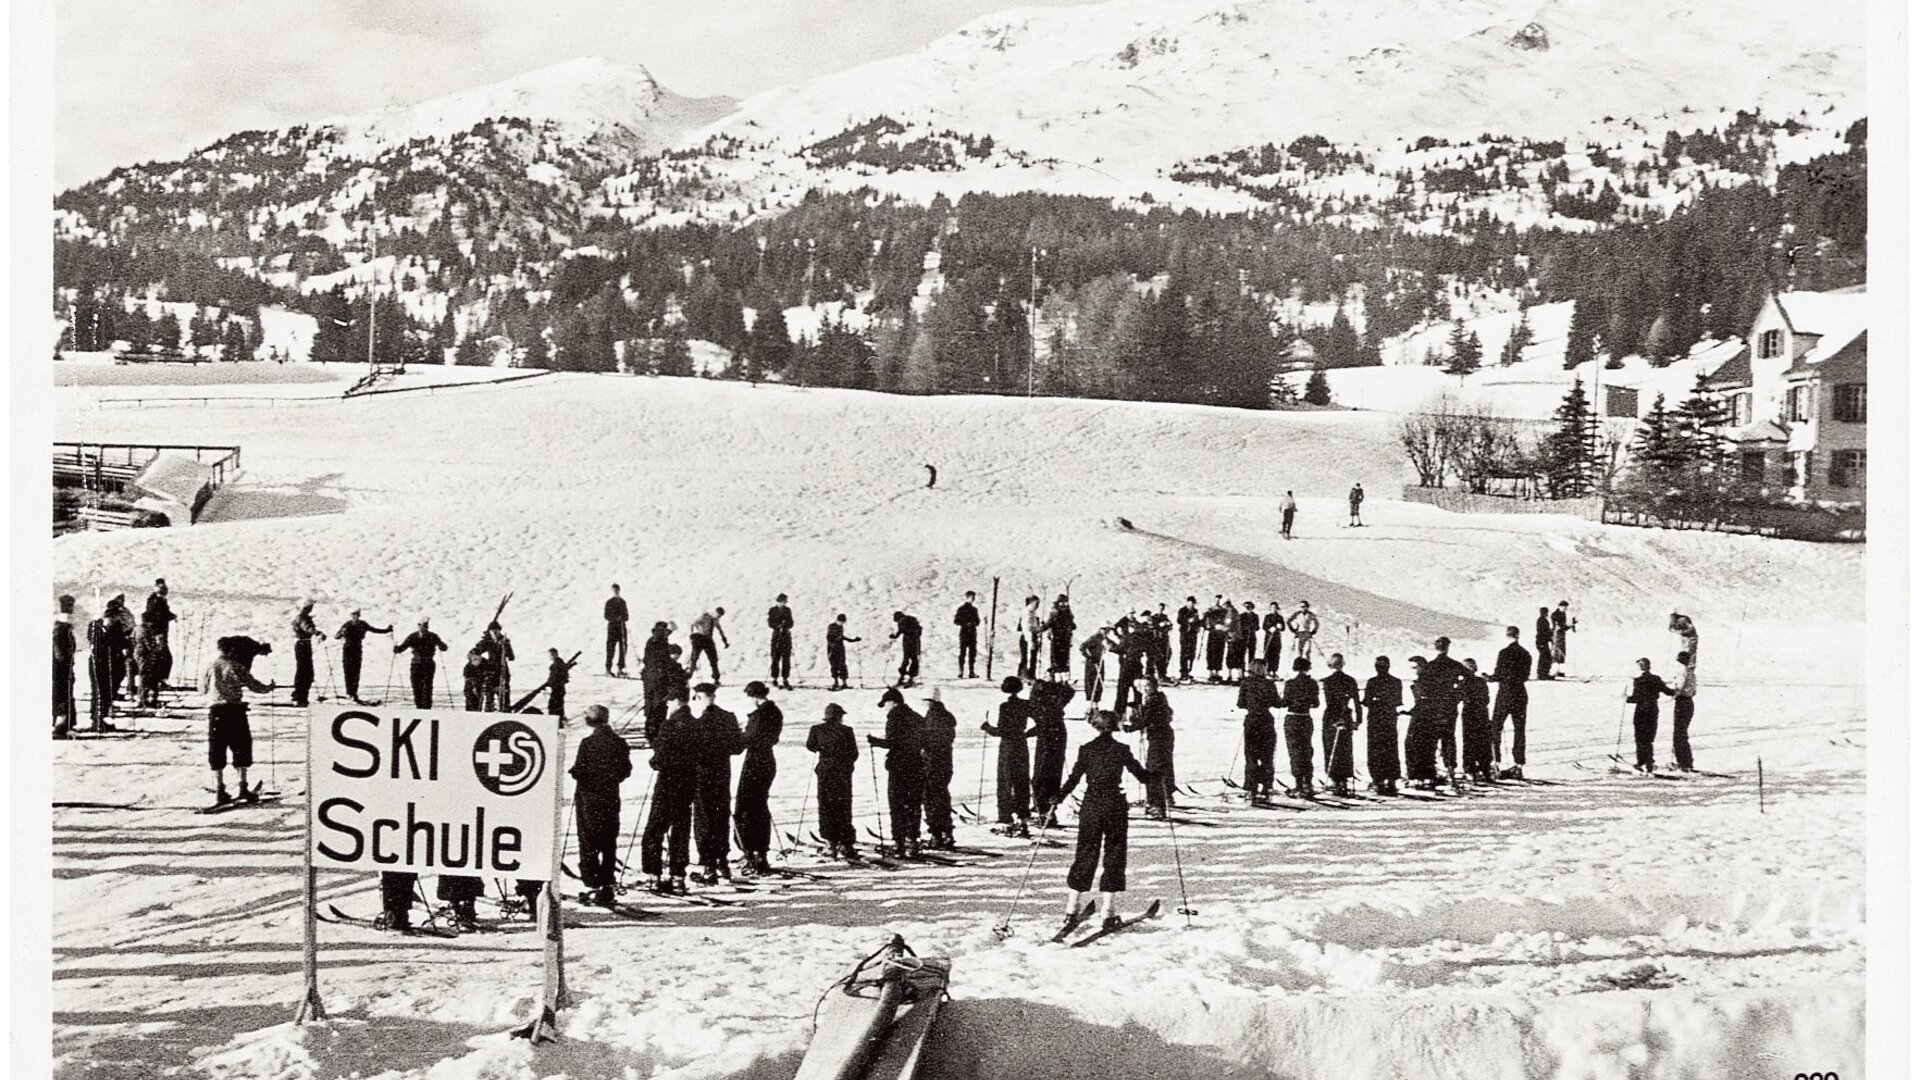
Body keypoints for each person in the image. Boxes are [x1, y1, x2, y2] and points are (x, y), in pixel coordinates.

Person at [1057, 709, 1156, 933]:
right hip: (1114, 806)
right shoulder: (1121, 750)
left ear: (1096, 726)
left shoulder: (1086, 749)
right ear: (1115, 726)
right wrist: (1157, 775)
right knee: (1114, 854)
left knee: (1085, 853)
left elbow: (1073, 779)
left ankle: (1071, 909)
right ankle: (1108, 913)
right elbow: (1142, 776)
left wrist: (1058, 798)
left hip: (1091, 805)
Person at [570, 704, 631, 908]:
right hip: (611, 798)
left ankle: (593, 885)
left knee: (588, 843)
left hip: (589, 799)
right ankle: (607, 884)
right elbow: (626, 771)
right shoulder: (619, 742)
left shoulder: (587, 743)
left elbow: (580, 770)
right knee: (608, 842)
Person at [203, 635, 276, 805]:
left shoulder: (209, 666)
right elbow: (254, 685)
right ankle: (243, 787)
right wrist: (269, 687)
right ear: (230, 650)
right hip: (235, 710)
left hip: (216, 711)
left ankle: (220, 789)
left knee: (217, 749)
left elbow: (201, 688)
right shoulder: (236, 666)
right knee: (241, 746)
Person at [640, 687, 700, 893]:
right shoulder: (696, 725)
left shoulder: (669, 725)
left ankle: (653, 875)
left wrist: (654, 761)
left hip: (667, 784)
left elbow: (660, 758)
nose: (667, 705)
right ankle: (677, 876)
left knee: (655, 829)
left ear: (677, 702)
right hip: (688, 784)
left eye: (669, 702)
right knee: (681, 830)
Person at [689, 683, 744, 884]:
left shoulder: (698, 722)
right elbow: (738, 747)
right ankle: (723, 862)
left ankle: (709, 866)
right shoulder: (728, 718)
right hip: (722, 774)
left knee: (704, 819)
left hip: (702, 776)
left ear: (700, 697)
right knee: (721, 816)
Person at [868, 688, 926, 858]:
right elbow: (926, 738)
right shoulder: (917, 717)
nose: (885, 708)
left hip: (899, 767)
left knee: (897, 805)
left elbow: (893, 742)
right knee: (914, 804)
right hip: (916, 765)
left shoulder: (894, 717)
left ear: (893, 702)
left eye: (885, 704)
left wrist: (876, 742)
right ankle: (913, 841)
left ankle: (899, 843)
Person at [735, 682, 782, 874]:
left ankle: (750, 852)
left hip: (755, 761)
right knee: (760, 806)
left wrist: (735, 735)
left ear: (754, 696)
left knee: (745, 807)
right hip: (767, 760)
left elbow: (749, 738)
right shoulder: (775, 711)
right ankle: (760, 852)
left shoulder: (760, 715)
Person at [806, 703, 860, 859]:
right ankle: (847, 843)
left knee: (826, 806)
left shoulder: (816, 729)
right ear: (839, 717)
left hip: (825, 772)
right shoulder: (847, 731)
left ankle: (831, 843)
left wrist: (823, 748)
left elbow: (811, 746)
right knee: (844, 806)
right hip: (843, 773)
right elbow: (854, 753)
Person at [982, 677, 1034, 837]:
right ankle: (1023, 818)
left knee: (1005, 781)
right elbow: (1042, 721)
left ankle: (1005, 819)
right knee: (1022, 781)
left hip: (1008, 747)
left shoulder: (1005, 707)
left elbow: (1003, 730)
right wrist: (1028, 733)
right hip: (1021, 745)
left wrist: (987, 727)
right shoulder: (1026, 705)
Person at [1125, 675, 1176, 817]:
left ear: (1155, 686)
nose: (1144, 689)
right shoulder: (1156, 698)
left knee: (1154, 768)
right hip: (1161, 736)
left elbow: (1147, 719)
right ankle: (1167, 795)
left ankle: (1157, 804)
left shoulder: (1154, 700)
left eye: (1147, 686)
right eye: (1141, 687)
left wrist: (1130, 727)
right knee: (1163, 765)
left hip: (1160, 737)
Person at [1425, 637, 1469, 782]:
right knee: (1449, 738)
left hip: (1434, 706)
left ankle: (1430, 771)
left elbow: (1424, 687)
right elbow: (1468, 679)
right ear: (1447, 647)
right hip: (1450, 706)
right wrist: (1458, 696)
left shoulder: (1430, 666)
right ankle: (1450, 769)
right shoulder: (1455, 665)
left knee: (1431, 738)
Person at [1489, 626, 1531, 779]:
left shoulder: (1504, 653)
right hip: (1520, 693)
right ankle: (1519, 764)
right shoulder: (1526, 654)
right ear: (1518, 635)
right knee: (1519, 729)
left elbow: (1499, 674)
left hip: (1505, 693)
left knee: (1496, 726)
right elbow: (1525, 676)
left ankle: (1495, 762)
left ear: (1507, 636)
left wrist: (1490, 678)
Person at [1236, 658, 1281, 801]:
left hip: (1252, 721)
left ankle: (1251, 787)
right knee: (1267, 756)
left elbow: (1240, 704)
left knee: (1251, 756)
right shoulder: (1269, 684)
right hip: (1266, 720)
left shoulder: (1245, 683)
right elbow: (1277, 702)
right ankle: (1266, 786)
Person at [1029, 680, 1072, 826]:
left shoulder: (1044, 703)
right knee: (1049, 772)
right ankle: (1046, 809)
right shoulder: (1052, 703)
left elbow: (1041, 721)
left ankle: (1043, 809)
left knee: (1043, 772)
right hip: (1054, 735)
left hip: (1050, 737)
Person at [920, 688, 958, 850]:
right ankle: (947, 833)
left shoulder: (932, 718)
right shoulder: (947, 717)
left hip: (932, 764)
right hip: (946, 763)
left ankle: (936, 834)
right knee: (942, 796)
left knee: (930, 798)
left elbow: (929, 741)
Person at [1280, 656, 1321, 797]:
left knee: (1294, 751)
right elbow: (1316, 704)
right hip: (1305, 718)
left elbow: (1284, 702)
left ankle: (1298, 783)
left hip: (1292, 718)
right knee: (1307, 750)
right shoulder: (1312, 683)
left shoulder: (1290, 683)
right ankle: (1308, 782)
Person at [1361, 656, 1403, 794]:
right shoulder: (1396, 682)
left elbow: (1366, 701)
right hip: (1389, 719)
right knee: (1390, 749)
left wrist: (1376, 701)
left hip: (1375, 719)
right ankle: (1391, 781)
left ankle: (1378, 780)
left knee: (1375, 750)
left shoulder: (1372, 682)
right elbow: (1397, 701)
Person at [1321, 653, 1360, 797]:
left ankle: (1335, 780)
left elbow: (1330, 702)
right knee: (1345, 748)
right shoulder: (1350, 680)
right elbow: (1356, 701)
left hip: (1332, 716)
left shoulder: (1328, 681)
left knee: (1331, 748)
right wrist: (1359, 720)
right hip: (1347, 716)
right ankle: (1344, 779)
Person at [1624, 658, 1673, 773]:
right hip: (1652, 709)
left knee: (1640, 736)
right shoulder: (1656, 679)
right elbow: (1668, 691)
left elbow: (1635, 698)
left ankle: (1641, 761)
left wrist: (1627, 698)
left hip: (1641, 710)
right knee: (1649, 737)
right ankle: (1649, 762)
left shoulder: (1638, 680)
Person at [335, 610, 393, 704]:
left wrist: (387, 630)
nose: (355, 617)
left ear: (359, 615)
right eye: (353, 615)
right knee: (348, 671)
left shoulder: (363, 624)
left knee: (356, 672)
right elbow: (336, 636)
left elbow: (374, 630)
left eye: (356, 615)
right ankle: (350, 693)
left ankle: (353, 693)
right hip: (347, 650)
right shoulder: (347, 625)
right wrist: (342, 632)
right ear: (351, 616)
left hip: (357, 649)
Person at [394, 620, 447, 710]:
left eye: (425, 626)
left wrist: (442, 646)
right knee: (416, 686)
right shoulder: (413, 636)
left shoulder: (433, 636)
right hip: (416, 664)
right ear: (419, 626)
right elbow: (403, 647)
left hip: (428, 664)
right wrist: (397, 649)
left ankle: (427, 708)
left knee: (427, 687)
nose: (424, 628)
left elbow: (444, 647)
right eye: (422, 626)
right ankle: (419, 707)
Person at [1459, 657, 1494, 783]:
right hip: (1482, 712)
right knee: (1483, 741)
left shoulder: (1463, 683)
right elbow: (1487, 699)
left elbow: (1459, 697)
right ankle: (1485, 769)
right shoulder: (1481, 682)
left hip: (1469, 713)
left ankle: (1470, 769)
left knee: (1469, 741)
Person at [640, 623, 677, 737]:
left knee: (649, 704)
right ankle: (657, 732)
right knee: (659, 705)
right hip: (660, 680)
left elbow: (646, 660)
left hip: (649, 679)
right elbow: (665, 661)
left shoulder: (651, 641)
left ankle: (649, 731)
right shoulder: (662, 643)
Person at [142, 578, 177, 694]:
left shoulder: (160, 601)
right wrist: (157, 634)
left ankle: (160, 680)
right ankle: (159, 681)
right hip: (158, 634)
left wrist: (172, 616)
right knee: (163, 658)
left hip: (161, 633)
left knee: (164, 658)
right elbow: (155, 617)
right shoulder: (154, 602)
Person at [54, 595, 78, 738]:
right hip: (61, 669)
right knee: (62, 695)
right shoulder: (60, 629)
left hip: (65, 667)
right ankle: (60, 726)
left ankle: (65, 724)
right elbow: (60, 653)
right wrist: (66, 663)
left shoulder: (61, 628)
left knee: (65, 695)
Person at [289, 602, 321, 708]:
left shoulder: (301, 617)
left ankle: (299, 695)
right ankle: (300, 697)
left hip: (303, 644)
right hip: (303, 645)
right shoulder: (302, 618)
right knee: (305, 672)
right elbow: (306, 627)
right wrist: (317, 633)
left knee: (304, 671)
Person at [1670, 650, 1698, 772]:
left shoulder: (1682, 670)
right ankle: (1687, 761)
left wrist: (1672, 692)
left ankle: (1683, 762)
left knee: (1679, 734)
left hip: (1682, 702)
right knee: (1682, 733)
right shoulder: (1691, 672)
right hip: (1689, 702)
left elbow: (1679, 687)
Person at [689, 608, 728, 684]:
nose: (718, 617)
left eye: (720, 616)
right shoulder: (704, 616)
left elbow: (720, 630)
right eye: (718, 615)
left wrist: (724, 640)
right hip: (699, 638)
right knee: (694, 658)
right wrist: (692, 635)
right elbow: (693, 624)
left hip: (708, 639)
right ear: (715, 612)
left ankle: (716, 678)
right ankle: (688, 676)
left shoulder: (715, 620)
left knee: (713, 659)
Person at [483, 621, 515, 709]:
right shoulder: (487, 641)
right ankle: (490, 708)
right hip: (491, 670)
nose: (495, 633)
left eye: (496, 631)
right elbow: (477, 651)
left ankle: (505, 709)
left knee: (504, 693)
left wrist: (505, 648)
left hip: (502, 670)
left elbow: (512, 656)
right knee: (489, 693)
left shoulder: (505, 641)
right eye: (493, 631)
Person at [767, 594, 795, 691]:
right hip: (777, 635)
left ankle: (785, 678)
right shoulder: (772, 610)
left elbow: (791, 623)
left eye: (785, 602)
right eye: (783, 602)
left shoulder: (788, 610)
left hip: (786, 636)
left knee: (786, 658)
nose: (785, 604)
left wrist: (786, 625)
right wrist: (778, 626)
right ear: (779, 601)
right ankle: (774, 678)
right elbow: (770, 623)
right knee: (775, 657)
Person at [826, 613, 860, 691]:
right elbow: (829, 637)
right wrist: (836, 639)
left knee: (842, 665)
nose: (842, 623)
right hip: (832, 649)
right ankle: (836, 682)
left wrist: (853, 640)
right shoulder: (831, 626)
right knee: (834, 665)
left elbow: (842, 637)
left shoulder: (840, 627)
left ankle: (844, 683)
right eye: (842, 621)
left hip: (840, 649)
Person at [889, 611, 923, 688]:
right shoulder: (911, 619)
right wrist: (916, 636)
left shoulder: (902, 621)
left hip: (908, 641)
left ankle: (903, 677)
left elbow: (901, 631)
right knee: (914, 659)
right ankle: (911, 677)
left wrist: (895, 636)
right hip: (914, 641)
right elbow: (919, 628)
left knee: (906, 659)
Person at [1046, 595, 1076, 679]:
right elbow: (1049, 623)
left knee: (1065, 659)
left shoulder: (1068, 613)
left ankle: (1064, 678)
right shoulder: (1055, 613)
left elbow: (1073, 625)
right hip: (1057, 639)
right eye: (1062, 602)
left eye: (1066, 602)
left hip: (1065, 639)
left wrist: (1070, 625)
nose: (1064, 605)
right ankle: (1056, 678)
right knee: (1057, 659)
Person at [953, 591, 981, 679]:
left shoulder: (973, 609)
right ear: (967, 597)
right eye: (972, 597)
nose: (973, 599)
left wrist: (973, 623)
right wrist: (966, 623)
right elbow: (956, 621)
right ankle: (962, 671)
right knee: (964, 652)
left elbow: (978, 621)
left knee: (971, 652)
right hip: (965, 632)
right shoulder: (962, 609)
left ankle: (970, 671)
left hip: (970, 632)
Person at [1203, 596, 1231, 683]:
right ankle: (1211, 673)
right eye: (1216, 600)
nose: (1217, 602)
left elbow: (1227, 622)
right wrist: (1210, 625)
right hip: (1212, 635)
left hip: (1221, 635)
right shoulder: (1210, 611)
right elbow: (1205, 623)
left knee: (1219, 653)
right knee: (1211, 653)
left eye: (1219, 600)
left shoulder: (1224, 611)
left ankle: (1217, 672)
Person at [1078, 625, 1109, 704]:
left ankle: (1096, 702)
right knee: (1091, 682)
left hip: (1099, 662)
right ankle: (1091, 702)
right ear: (1100, 629)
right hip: (1092, 663)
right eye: (1104, 629)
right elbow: (1082, 647)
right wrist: (1089, 657)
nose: (1106, 631)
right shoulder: (1094, 638)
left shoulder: (1104, 638)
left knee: (1099, 681)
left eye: (1107, 630)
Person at [604, 585, 630, 677]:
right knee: (611, 648)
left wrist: (623, 618)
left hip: (622, 627)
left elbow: (627, 616)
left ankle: (621, 668)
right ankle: (608, 668)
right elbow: (606, 616)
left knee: (623, 647)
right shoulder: (609, 602)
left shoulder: (622, 602)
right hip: (612, 627)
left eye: (617, 590)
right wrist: (616, 618)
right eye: (614, 590)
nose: (616, 592)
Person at [1230, 602, 1259, 680]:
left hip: (1252, 638)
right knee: (1241, 655)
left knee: (1252, 655)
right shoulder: (1241, 616)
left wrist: (1252, 627)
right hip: (1243, 638)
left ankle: (1251, 672)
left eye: (1249, 607)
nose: (1248, 608)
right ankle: (1241, 672)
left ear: (1252, 607)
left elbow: (1257, 627)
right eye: (1246, 607)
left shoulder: (1255, 616)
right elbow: (1239, 626)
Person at [1176, 597, 1201, 683]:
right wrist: (1188, 621)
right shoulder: (1182, 610)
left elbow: (1197, 621)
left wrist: (1199, 624)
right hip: (1184, 634)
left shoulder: (1195, 611)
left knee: (1192, 653)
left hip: (1193, 634)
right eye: (1190, 603)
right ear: (1187, 603)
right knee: (1184, 653)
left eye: (1193, 603)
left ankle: (1189, 671)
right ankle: (1183, 672)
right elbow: (1179, 620)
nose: (1191, 605)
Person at [1017, 595, 1043, 680]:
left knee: (1032, 657)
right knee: (1027, 657)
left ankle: (1030, 675)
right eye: (1036, 603)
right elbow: (1026, 628)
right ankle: (1025, 675)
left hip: (1032, 636)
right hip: (1028, 637)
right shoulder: (1027, 613)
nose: (1038, 605)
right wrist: (1030, 640)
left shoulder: (1033, 613)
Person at [1550, 601, 1575, 677]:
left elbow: (1563, 627)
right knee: (1556, 652)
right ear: (1560, 606)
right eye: (1565, 607)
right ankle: (1555, 671)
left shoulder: (1563, 614)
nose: (1565, 609)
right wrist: (1570, 626)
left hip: (1561, 635)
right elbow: (1559, 627)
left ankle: (1561, 671)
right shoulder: (1554, 615)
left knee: (1562, 652)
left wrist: (1569, 626)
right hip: (1556, 635)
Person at [1149, 604, 1174, 680]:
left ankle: (1163, 673)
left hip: (1164, 639)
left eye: (1162, 609)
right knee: (1157, 656)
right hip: (1157, 640)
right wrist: (1160, 625)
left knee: (1167, 655)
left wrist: (1168, 625)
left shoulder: (1164, 617)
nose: (1160, 610)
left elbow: (1170, 625)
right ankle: (1157, 674)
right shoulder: (1153, 617)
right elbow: (1152, 626)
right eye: (1159, 608)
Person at [545, 647, 571, 719]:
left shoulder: (557, 664)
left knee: (554, 703)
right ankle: (559, 716)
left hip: (558, 687)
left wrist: (550, 682)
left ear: (556, 654)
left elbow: (555, 676)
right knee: (558, 703)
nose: (551, 656)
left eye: (552, 654)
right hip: (559, 687)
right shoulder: (559, 663)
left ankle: (555, 718)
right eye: (550, 655)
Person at [1261, 602, 1286, 674]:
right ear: (1270, 608)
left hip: (1276, 639)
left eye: (1275, 608)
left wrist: (1280, 627)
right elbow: (1264, 627)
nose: (1274, 609)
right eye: (1272, 608)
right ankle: (1267, 671)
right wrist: (1270, 629)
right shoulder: (1267, 617)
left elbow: (1283, 628)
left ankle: (1274, 671)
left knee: (1276, 655)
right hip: (1268, 638)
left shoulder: (1280, 617)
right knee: (1267, 654)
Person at [461, 647, 489, 712]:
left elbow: (488, 672)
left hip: (480, 684)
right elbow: (467, 676)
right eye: (474, 657)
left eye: (477, 656)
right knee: (470, 700)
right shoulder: (468, 667)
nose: (476, 659)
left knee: (478, 701)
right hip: (470, 685)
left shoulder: (485, 663)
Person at [1533, 607, 1555, 681]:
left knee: (1545, 657)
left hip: (1542, 641)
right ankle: (1542, 674)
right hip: (1542, 641)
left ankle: (1543, 673)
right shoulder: (1542, 620)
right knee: (1545, 657)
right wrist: (1550, 635)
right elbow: (1543, 632)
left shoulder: (1542, 620)